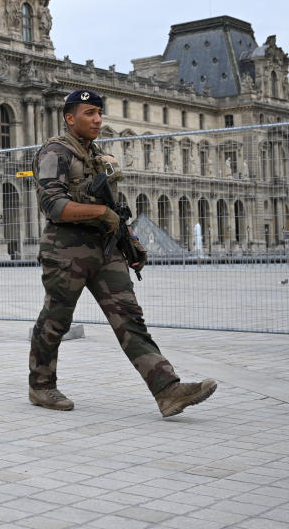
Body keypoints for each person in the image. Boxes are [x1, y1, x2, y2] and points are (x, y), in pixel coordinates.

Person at [28, 89, 217, 418]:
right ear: (69, 117)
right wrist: (102, 215)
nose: (98, 120)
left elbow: (115, 208)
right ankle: (41, 386)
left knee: (130, 318)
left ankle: (167, 389)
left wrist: (130, 237)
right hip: (66, 249)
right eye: (89, 113)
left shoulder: (96, 156)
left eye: (100, 113)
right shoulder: (54, 152)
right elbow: (53, 205)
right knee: (55, 320)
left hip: (105, 248)